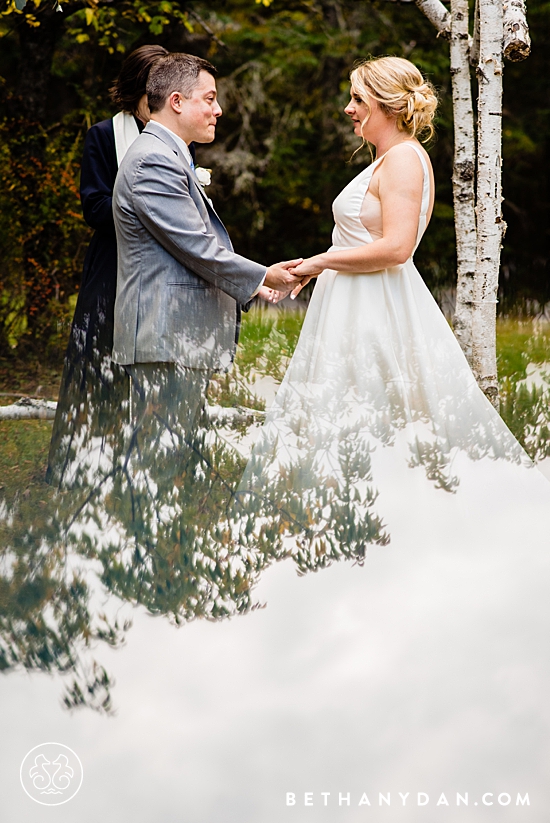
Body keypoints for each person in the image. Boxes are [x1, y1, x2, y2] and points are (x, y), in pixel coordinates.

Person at [234, 56, 550, 568]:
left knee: (371, 414)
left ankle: (380, 542)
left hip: (374, 308)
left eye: (358, 98)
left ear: (387, 104)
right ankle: (344, 536)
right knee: (352, 417)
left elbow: (397, 247)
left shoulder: (403, 159)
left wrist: (320, 260)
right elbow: (369, 241)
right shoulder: (389, 159)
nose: (348, 108)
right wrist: (317, 270)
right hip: (354, 301)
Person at [111, 52, 303, 487]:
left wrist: (254, 286)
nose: (218, 110)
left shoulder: (167, 155)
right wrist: (262, 276)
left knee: (173, 463)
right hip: (163, 336)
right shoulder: (152, 160)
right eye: (210, 98)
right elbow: (195, 245)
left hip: (175, 337)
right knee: (157, 469)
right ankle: (151, 550)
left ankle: (170, 549)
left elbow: (189, 247)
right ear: (176, 101)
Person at [46, 45, 169, 488]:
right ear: (139, 87)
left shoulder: (178, 136)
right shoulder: (103, 136)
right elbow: (95, 207)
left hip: (163, 270)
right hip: (113, 263)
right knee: (99, 353)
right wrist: (150, 209)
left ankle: (149, 462)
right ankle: (89, 463)